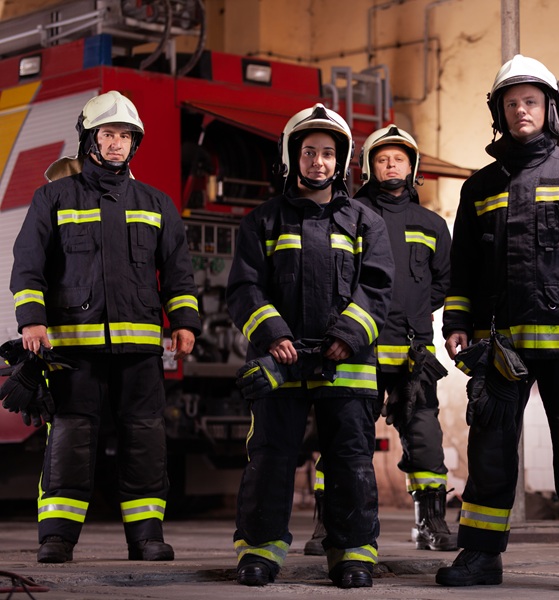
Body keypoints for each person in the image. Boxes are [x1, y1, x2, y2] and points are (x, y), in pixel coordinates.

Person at [438, 54, 559, 593]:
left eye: (531, 101)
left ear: (550, 108)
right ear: (499, 113)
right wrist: (458, 321)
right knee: (490, 449)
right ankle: (479, 557)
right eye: (512, 103)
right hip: (500, 344)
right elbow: (465, 270)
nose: (522, 110)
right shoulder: (479, 187)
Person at [8, 91, 201, 563]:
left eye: (125, 136)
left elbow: (178, 270)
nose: (116, 144)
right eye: (107, 134)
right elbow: (28, 264)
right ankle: (57, 536)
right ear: (88, 139)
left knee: (145, 440)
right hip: (74, 348)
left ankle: (146, 537)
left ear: (134, 144)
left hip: (139, 350)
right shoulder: (53, 197)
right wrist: (32, 320)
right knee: (71, 438)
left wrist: (185, 322)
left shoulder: (156, 202)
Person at [226, 104, 394, 589]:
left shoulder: (365, 221)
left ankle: (353, 554)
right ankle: (258, 552)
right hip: (282, 362)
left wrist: (348, 336)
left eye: (327, 153)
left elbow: (378, 287)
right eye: (309, 152)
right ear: (291, 157)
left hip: (349, 365)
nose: (318, 162)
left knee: (350, 462)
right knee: (271, 458)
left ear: (340, 161)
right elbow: (244, 287)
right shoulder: (263, 221)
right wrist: (273, 334)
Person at [303, 124, 455, 556]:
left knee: (425, 437)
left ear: (413, 167)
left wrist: (412, 309)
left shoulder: (430, 224)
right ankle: (327, 525)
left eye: (400, 159)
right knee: (340, 438)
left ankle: (431, 523)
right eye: (383, 158)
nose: (391, 165)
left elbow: (442, 283)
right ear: (368, 166)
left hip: (412, 355)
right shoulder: (346, 213)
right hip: (356, 349)